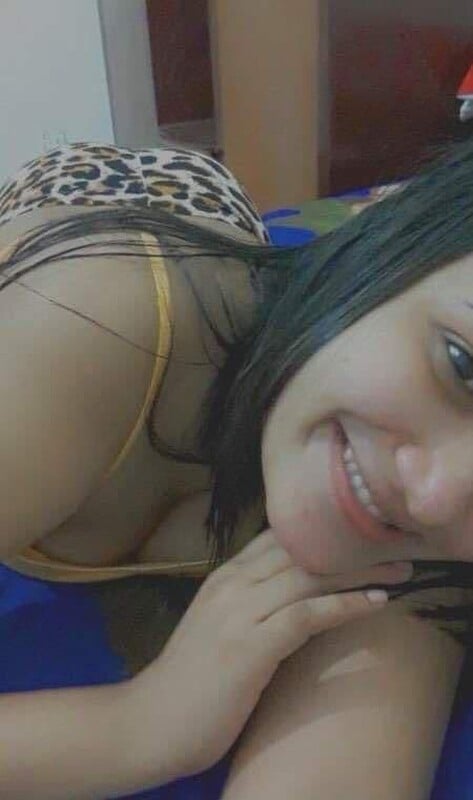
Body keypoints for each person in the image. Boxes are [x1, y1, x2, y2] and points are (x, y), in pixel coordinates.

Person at [0, 139, 472, 799]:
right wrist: (134, 727)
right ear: (390, 232)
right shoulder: (82, 329)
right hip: (113, 214)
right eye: (460, 365)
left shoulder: (436, 528)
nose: (433, 494)